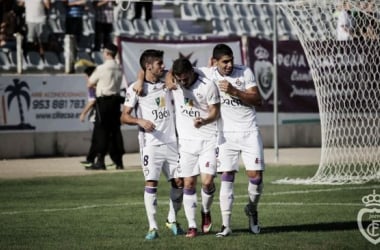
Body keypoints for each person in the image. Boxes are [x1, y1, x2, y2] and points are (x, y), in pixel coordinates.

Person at [198, 44, 265, 237]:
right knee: (227, 177)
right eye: (224, 62)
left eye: (231, 60)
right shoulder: (207, 74)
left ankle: (252, 209)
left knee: (256, 176)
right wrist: (141, 79)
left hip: (249, 131)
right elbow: (177, 70)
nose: (229, 65)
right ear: (215, 62)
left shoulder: (244, 72)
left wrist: (235, 91)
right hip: (225, 135)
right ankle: (226, 226)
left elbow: (258, 100)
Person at [121, 49, 184, 240]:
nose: (163, 66)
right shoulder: (135, 88)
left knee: (179, 182)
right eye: (159, 63)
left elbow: (175, 69)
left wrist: (167, 75)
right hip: (150, 143)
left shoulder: (167, 81)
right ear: (148, 66)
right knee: (151, 183)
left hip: (172, 141)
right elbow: (124, 116)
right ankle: (152, 227)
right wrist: (140, 121)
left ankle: (172, 219)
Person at [170, 57, 220, 238]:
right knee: (188, 183)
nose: (182, 82)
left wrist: (204, 120)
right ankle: (192, 226)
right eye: (179, 79)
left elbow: (215, 111)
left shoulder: (208, 85)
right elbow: (151, 71)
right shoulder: (175, 82)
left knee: (207, 182)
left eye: (185, 78)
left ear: (192, 72)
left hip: (208, 140)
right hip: (185, 144)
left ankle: (205, 211)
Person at [87, 43, 124, 170]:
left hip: (104, 101)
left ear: (107, 53)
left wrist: (100, 87)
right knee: (115, 131)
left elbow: (90, 83)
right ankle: (118, 161)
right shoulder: (119, 67)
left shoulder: (102, 68)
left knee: (101, 131)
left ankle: (100, 160)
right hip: (116, 101)